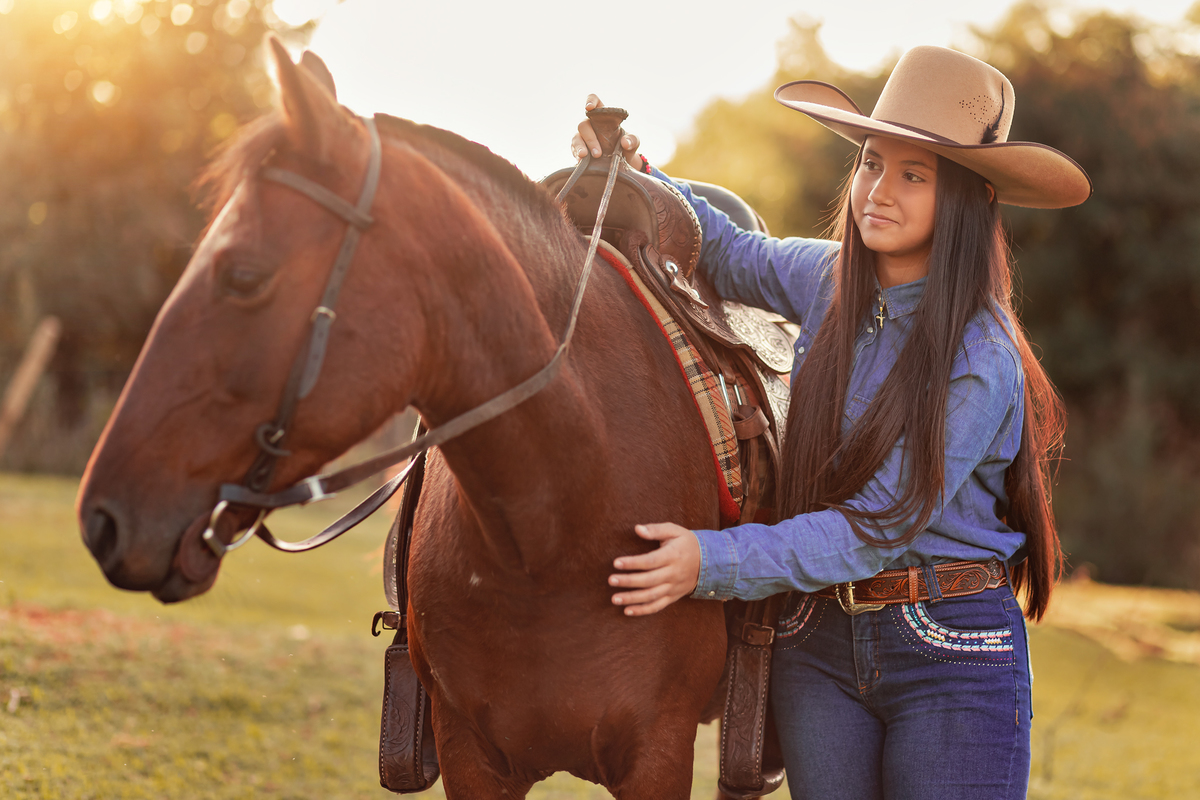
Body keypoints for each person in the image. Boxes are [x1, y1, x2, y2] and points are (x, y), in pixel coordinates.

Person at [572, 46, 1091, 799]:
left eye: (915, 174)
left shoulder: (980, 354)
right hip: (817, 643)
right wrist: (636, 170)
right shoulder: (826, 280)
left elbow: (875, 528)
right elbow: (723, 247)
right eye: (873, 163)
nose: (879, 190)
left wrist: (707, 562)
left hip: (947, 647)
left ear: (970, 201)